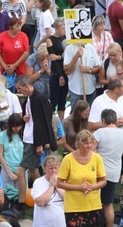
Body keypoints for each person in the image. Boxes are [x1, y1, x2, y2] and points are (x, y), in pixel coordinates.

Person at [15, 76, 58, 213]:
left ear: (26, 85)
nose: (19, 91)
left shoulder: (38, 98)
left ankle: (21, 203)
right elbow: (33, 118)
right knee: (34, 171)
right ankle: (49, 194)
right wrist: (25, 118)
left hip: (34, 141)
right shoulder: (29, 98)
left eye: (20, 89)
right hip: (28, 138)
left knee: (20, 171)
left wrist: (40, 143)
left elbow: (42, 121)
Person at [57, 129, 107, 227]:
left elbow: (103, 180)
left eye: (90, 143)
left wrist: (92, 187)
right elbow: (59, 183)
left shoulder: (97, 158)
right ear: (79, 144)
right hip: (74, 207)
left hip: (93, 205)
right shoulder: (68, 159)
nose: (89, 146)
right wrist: (78, 187)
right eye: (86, 143)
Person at [93, 109, 123, 227]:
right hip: (114, 173)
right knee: (108, 204)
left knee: (96, 203)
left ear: (103, 120)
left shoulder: (99, 133)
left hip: (98, 173)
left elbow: (90, 152)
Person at [32, 154, 66, 226]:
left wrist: (57, 185)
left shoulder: (64, 182)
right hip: (43, 224)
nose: (53, 171)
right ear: (44, 168)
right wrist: (51, 186)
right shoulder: (38, 182)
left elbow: (68, 199)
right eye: (51, 168)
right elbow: (40, 202)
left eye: (55, 168)